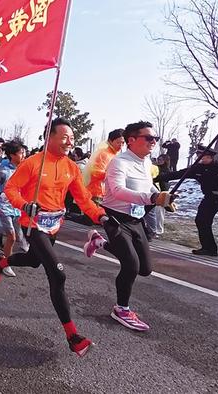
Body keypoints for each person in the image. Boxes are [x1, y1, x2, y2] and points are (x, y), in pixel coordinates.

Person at [0, 118, 108, 357]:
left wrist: (100, 215)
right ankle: (73, 337)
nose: (70, 142)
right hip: (33, 224)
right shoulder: (32, 163)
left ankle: (1, 262)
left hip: (54, 225)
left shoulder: (71, 167)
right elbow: (11, 189)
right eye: (64, 137)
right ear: (50, 137)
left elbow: (83, 198)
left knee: (33, 261)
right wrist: (25, 205)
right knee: (58, 275)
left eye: (72, 138)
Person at [84, 121, 175, 332]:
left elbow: (148, 185)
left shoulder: (145, 161)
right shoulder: (119, 162)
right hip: (116, 218)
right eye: (148, 138)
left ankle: (99, 242)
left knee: (145, 269)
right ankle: (121, 309)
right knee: (131, 265)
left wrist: (163, 197)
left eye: (155, 138)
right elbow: (117, 191)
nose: (153, 142)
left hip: (136, 219)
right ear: (131, 140)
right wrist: (152, 198)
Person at [0, 140, 27, 277]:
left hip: (17, 206)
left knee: (19, 236)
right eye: (21, 153)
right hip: (4, 207)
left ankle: (0, 258)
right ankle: (5, 265)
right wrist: (0, 194)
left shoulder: (24, 170)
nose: (24, 155)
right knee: (11, 237)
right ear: (12, 155)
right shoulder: (3, 171)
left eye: (24, 153)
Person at [83, 129, 125, 203]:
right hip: (97, 193)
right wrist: (115, 175)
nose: (121, 145)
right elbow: (95, 172)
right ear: (110, 141)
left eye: (123, 143)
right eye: (118, 142)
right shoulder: (104, 154)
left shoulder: (113, 154)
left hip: (103, 193)